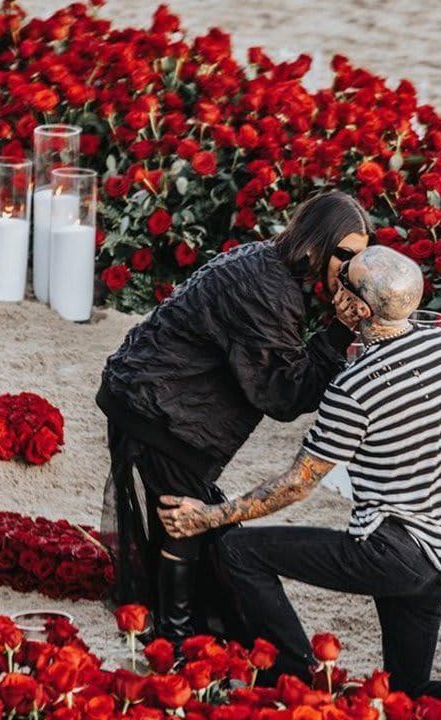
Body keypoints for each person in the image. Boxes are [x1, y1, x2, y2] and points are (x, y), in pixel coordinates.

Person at [157, 246, 441, 696]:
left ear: (359, 308)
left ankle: (303, 678)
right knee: (408, 694)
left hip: (391, 551)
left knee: (240, 550)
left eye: (345, 281)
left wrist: (208, 517)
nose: (334, 281)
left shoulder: (354, 387)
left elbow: (297, 484)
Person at [97, 190, 371, 641]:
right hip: (157, 407)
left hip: (153, 396)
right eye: (343, 254)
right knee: (183, 519)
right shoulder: (271, 289)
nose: (350, 270)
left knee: (192, 519)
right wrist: (339, 333)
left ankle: (177, 627)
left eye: (358, 258)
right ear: (315, 241)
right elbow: (281, 395)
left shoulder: (271, 264)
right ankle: (175, 636)